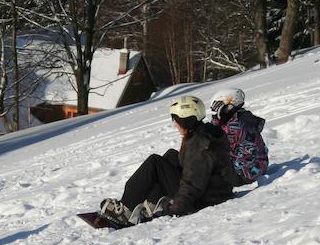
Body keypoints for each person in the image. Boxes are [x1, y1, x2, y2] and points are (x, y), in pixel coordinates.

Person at [98, 95, 234, 227]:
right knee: (171, 156)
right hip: (213, 192)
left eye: (175, 119)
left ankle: (125, 210)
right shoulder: (202, 133)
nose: (174, 124)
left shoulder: (199, 143)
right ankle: (150, 202)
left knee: (154, 162)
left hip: (204, 200)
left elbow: (193, 184)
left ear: (185, 120)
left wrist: (174, 208)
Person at [208, 88, 269, 186]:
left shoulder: (238, 124)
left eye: (218, 109)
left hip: (246, 171)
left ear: (229, 107)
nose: (216, 115)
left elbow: (219, 147)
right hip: (255, 166)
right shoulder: (237, 117)